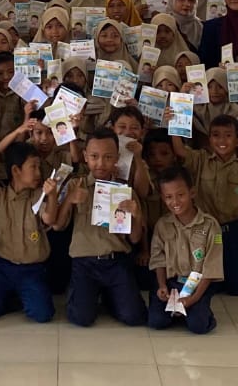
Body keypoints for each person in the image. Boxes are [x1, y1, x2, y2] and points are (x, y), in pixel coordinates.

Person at [170, 115, 238, 296]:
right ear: (209, 139)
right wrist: (174, 123)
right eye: (216, 135)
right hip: (205, 229)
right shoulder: (201, 159)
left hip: (232, 228)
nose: (222, 140)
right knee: (203, 282)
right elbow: (179, 150)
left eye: (228, 135)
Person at [54, 129, 145, 327]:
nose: (101, 163)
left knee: (134, 317)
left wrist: (137, 215)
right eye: (94, 156)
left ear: (117, 158)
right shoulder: (75, 185)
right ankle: (87, 293)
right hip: (84, 263)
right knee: (81, 318)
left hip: (116, 261)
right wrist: (69, 200)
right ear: (85, 156)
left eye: (108, 157)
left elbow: (135, 238)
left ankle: (110, 296)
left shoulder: (125, 190)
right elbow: (58, 225)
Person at [0, 143, 59, 323]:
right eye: (33, 167)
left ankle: (22, 295)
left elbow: (49, 219)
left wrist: (52, 196)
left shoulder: (38, 195)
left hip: (32, 269)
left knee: (42, 314)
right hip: (1, 267)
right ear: (16, 170)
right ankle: (14, 297)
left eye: (39, 167)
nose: (38, 173)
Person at [147, 166, 224, 334]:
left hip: (197, 285)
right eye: (168, 197)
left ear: (192, 193)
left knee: (198, 326)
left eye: (180, 195)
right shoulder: (162, 225)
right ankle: (178, 311)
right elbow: (158, 259)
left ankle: (195, 311)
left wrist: (193, 299)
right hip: (171, 283)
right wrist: (162, 286)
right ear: (163, 198)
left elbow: (211, 268)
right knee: (156, 322)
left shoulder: (210, 226)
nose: (175, 202)